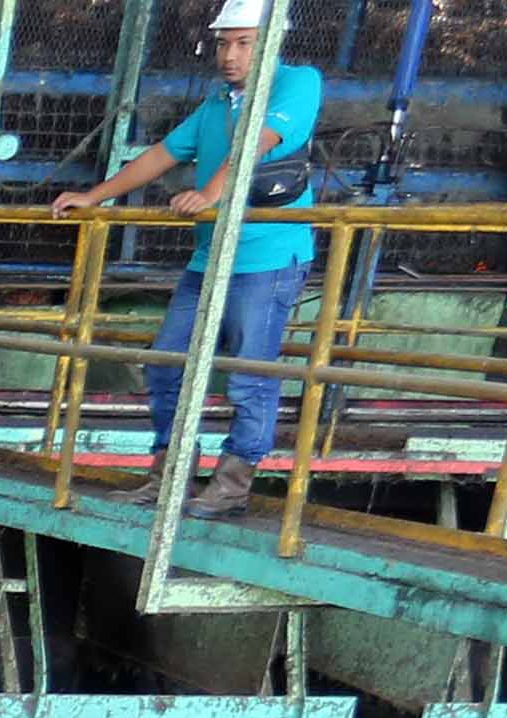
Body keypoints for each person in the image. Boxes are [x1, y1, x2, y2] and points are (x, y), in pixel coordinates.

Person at [55, 0, 325, 520]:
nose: (231, 54)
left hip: (268, 258)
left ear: (271, 43)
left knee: (249, 372)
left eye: (244, 42)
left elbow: (260, 140)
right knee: (167, 362)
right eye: (224, 43)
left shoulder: (298, 83)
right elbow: (163, 154)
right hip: (211, 257)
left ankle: (232, 483)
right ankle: (169, 472)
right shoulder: (218, 101)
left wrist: (213, 194)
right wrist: (97, 195)